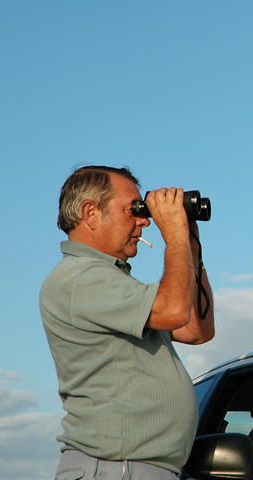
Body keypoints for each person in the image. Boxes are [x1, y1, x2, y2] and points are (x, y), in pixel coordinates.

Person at [40, 165, 215, 480]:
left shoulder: (112, 282)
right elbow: (174, 311)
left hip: (133, 469)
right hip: (114, 468)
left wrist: (190, 244)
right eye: (133, 210)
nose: (145, 221)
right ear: (91, 213)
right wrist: (173, 232)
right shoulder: (79, 278)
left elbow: (196, 330)